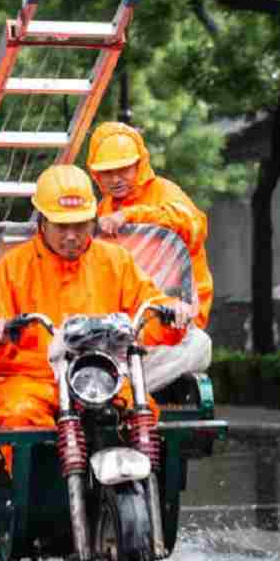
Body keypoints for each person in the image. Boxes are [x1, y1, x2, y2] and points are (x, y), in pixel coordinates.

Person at [0, 164, 190, 440]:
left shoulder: (116, 261)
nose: (71, 236)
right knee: (22, 415)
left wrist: (172, 314)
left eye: (80, 224)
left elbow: (150, 310)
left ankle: (146, 483)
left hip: (101, 376)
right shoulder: (15, 267)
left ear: (93, 220)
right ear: (42, 223)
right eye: (61, 226)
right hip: (31, 381)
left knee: (142, 415)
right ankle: (35, 483)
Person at [86, 121, 213, 391]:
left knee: (198, 346)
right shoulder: (102, 209)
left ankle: (118, 393)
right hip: (121, 327)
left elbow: (194, 226)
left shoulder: (165, 192)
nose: (116, 178)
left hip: (173, 321)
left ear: (139, 164)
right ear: (96, 174)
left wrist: (131, 216)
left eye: (123, 169)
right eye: (107, 172)